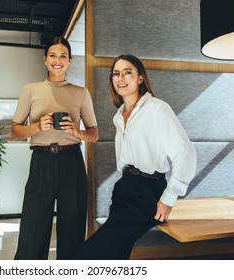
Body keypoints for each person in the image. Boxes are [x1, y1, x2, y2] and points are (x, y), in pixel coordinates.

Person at [76, 54, 197, 260]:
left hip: (148, 192)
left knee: (87, 256)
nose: (120, 78)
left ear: (140, 78)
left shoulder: (157, 108)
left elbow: (185, 152)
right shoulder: (119, 116)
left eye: (127, 72)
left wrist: (169, 196)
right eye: (115, 74)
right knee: (115, 258)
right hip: (124, 187)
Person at [12, 37, 99, 260]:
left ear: (70, 61)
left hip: (72, 163)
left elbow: (94, 134)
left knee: (72, 231)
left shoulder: (81, 93)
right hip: (41, 162)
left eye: (63, 56)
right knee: (33, 231)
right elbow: (14, 131)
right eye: (53, 55)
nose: (57, 60)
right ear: (45, 60)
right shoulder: (31, 90)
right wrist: (37, 126)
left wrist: (77, 132)